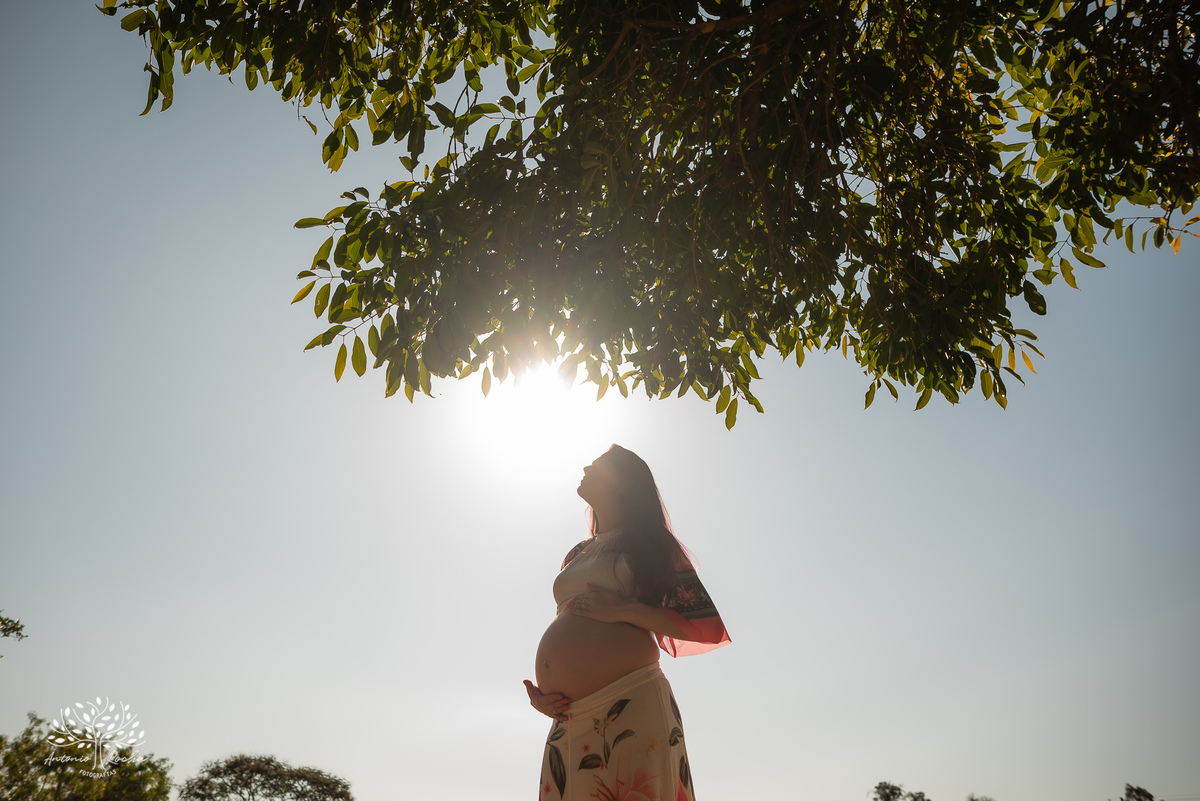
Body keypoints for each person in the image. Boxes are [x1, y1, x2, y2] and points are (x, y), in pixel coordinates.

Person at [524, 445, 730, 801]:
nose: (587, 466)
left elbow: (706, 627)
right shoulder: (578, 553)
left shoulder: (648, 543)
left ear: (622, 483)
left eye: (599, 465)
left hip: (629, 704)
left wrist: (622, 610)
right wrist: (545, 697)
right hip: (570, 720)